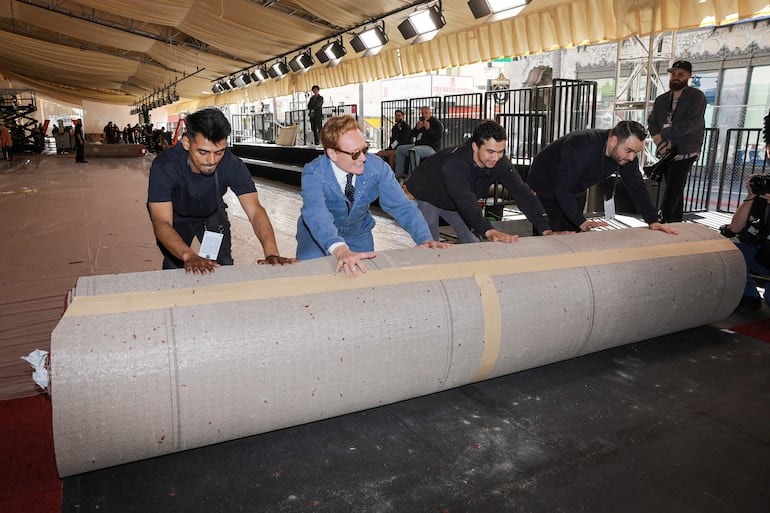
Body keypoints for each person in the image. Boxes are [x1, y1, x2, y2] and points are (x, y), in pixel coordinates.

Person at [295, 115, 449, 276]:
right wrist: (339, 248)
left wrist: (425, 239)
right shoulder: (313, 173)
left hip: (358, 233)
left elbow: (402, 206)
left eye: (365, 149)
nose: (363, 158)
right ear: (332, 153)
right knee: (311, 274)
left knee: (362, 280)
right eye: (355, 154)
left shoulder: (378, 168)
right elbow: (316, 214)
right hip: (315, 234)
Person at [147, 107, 296, 274]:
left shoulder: (232, 164)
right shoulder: (164, 166)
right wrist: (188, 255)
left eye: (219, 152)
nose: (211, 161)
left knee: (222, 265)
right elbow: (161, 221)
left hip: (212, 213)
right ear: (187, 143)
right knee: (174, 267)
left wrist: (271, 253)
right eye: (203, 152)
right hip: (176, 218)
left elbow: (255, 211)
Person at [405, 120, 553, 243]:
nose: (496, 158)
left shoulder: (500, 163)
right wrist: (488, 230)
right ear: (475, 146)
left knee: (471, 240)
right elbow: (465, 199)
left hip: (454, 200)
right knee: (431, 242)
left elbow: (522, 192)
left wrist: (545, 229)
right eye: (490, 152)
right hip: (429, 193)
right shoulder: (455, 165)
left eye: (500, 152)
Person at [526, 120, 678, 235]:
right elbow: (562, 189)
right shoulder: (581, 146)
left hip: (575, 186)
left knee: (572, 234)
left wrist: (652, 219)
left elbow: (636, 185)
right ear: (613, 140)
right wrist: (581, 221)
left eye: (636, 153)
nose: (632, 158)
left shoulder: (626, 154)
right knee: (548, 235)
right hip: (544, 183)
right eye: (629, 151)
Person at [647, 60, 707, 223]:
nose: (676, 77)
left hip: (686, 150)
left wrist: (664, 134)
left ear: (689, 76)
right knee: (675, 189)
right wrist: (657, 138)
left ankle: (664, 219)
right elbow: (652, 121)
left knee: (673, 187)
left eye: (680, 74)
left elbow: (693, 124)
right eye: (673, 74)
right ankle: (676, 223)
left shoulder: (696, 97)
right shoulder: (662, 99)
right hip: (666, 150)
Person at [727, 174, 770, 311]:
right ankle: (750, 296)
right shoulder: (764, 196)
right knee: (731, 253)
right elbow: (735, 227)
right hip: (764, 254)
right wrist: (751, 196)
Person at [394, 106, 444, 179]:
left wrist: (428, 129)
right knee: (400, 149)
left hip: (431, 148)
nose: (424, 115)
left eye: (426, 113)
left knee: (414, 150)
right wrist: (417, 128)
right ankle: (398, 175)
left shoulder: (436, 123)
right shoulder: (421, 122)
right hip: (417, 145)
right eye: (422, 113)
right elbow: (412, 134)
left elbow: (437, 137)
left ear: (430, 113)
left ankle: (413, 177)